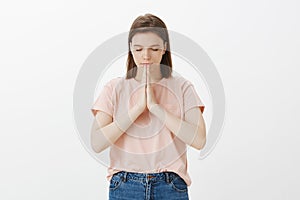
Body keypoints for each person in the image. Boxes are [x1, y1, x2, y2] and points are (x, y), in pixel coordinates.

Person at [90, 13, 206, 200]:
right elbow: (97, 143)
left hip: (170, 185)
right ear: (130, 49)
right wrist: (136, 109)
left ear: (164, 49)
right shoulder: (114, 88)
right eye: (138, 49)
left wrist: (156, 108)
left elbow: (199, 140)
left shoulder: (182, 87)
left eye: (153, 49)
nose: (146, 56)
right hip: (125, 184)